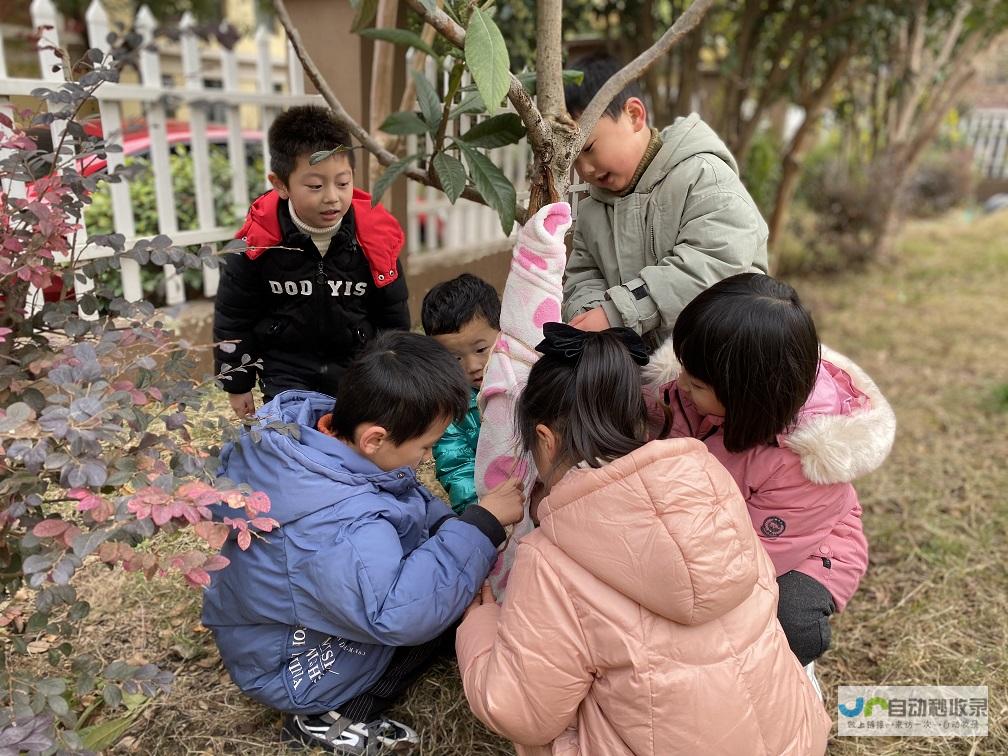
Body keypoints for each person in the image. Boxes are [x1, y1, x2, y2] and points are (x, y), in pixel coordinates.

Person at [456, 323, 831, 756]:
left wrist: (479, 629)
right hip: (795, 742)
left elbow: (519, 711)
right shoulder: (711, 481)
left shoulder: (548, 559)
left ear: (545, 436)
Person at [201, 332, 524, 755]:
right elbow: (398, 614)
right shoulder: (338, 524)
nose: (426, 459)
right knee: (437, 616)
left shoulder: (326, 443)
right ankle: (333, 715)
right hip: (290, 664)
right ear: (375, 438)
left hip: (292, 619)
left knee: (451, 584)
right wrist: (480, 528)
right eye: (426, 446)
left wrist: (455, 530)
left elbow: (409, 501)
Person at [645, 273, 895, 670]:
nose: (680, 385)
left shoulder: (802, 466)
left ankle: (796, 676)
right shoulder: (691, 393)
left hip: (797, 550)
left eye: (695, 382)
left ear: (746, 395)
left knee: (780, 622)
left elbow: (753, 562)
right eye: (683, 369)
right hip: (715, 524)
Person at [213, 104, 410, 419]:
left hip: (357, 371)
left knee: (356, 452)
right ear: (280, 184)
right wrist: (237, 384)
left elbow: (392, 316)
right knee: (293, 448)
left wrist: (396, 377)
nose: (332, 197)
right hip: (285, 373)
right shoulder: (255, 245)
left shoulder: (375, 240)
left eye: (343, 183)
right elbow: (233, 318)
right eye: (315, 186)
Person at [562, 55, 768, 347]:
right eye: (573, 159)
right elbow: (583, 277)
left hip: (722, 360)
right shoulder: (592, 211)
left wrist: (616, 314)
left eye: (590, 148)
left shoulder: (702, 176)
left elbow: (713, 264)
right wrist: (591, 320)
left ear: (634, 115)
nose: (585, 169)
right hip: (644, 371)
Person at [421, 273, 501, 514]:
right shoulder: (449, 403)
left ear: (503, 330)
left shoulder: (527, 376)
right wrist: (480, 513)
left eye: (480, 349)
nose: (472, 366)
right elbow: (456, 465)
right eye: (455, 358)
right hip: (493, 497)